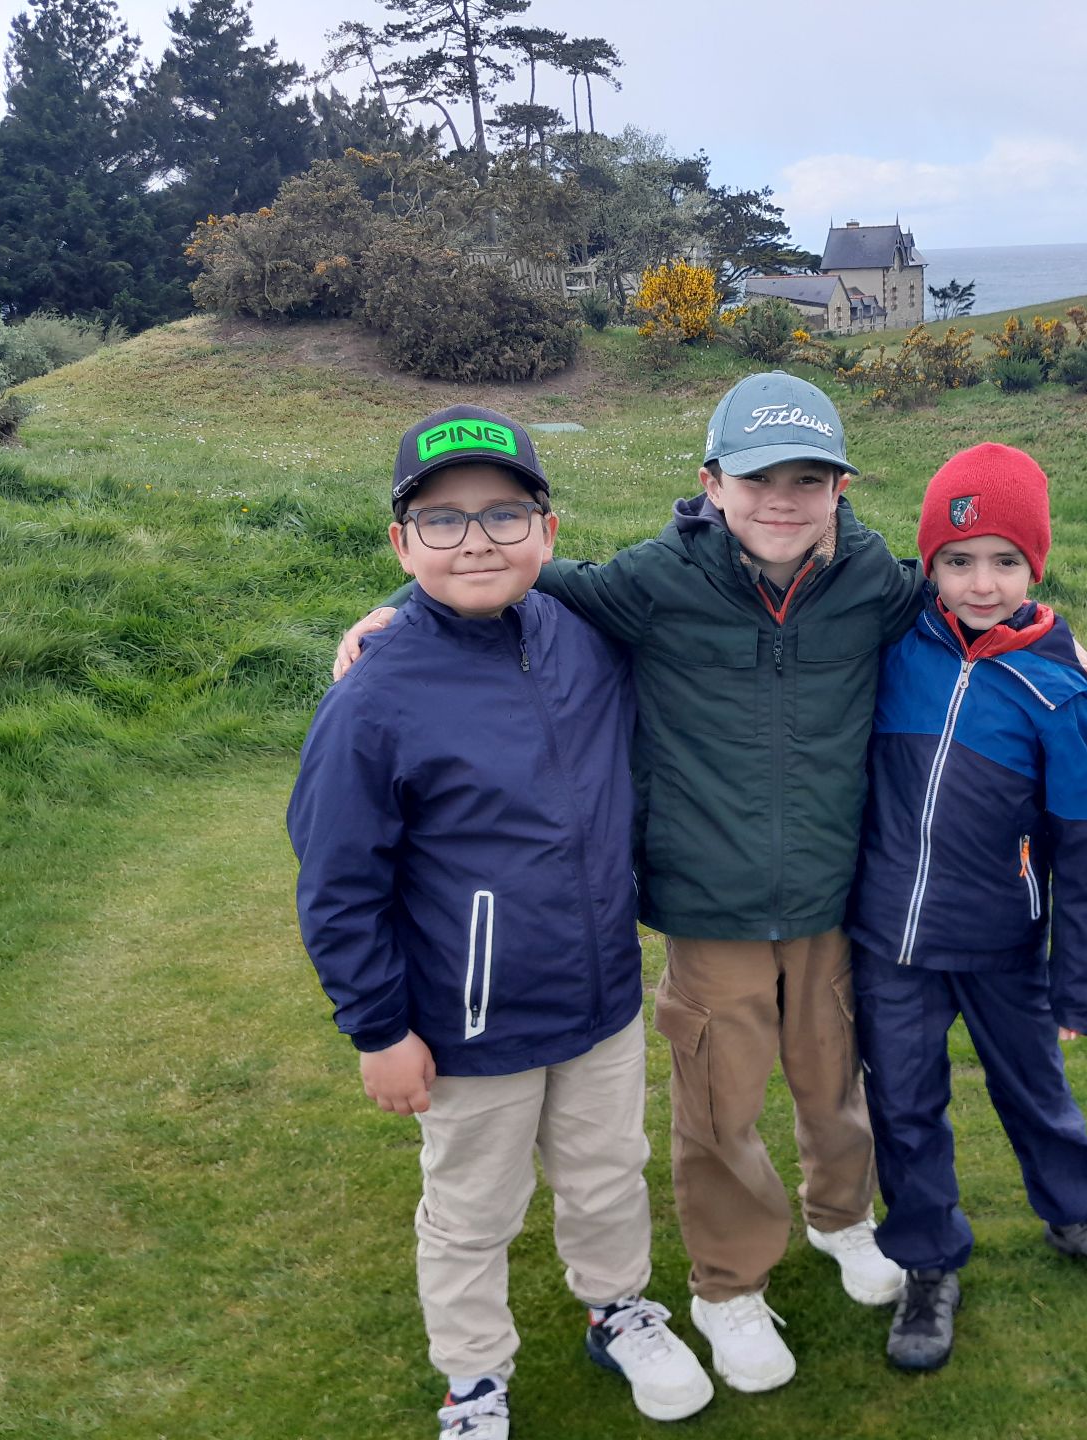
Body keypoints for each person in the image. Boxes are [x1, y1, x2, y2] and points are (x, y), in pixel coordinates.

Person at [333, 375, 1087, 1394]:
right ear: (711, 483)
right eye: (756, 479)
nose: (782, 500)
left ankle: (842, 1219)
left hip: (836, 899)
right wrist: (393, 609)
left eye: (808, 480)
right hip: (710, 909)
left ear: (840, 491)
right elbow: (510, 572)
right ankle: (730, 1285)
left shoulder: (876, 582)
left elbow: (978, 602)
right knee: (721, 1108)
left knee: (838, 1085)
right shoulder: (654, 579)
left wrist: (1064, 642)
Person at [287, 404, 712, 1439]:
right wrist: (378, 1030)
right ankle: (474, 1378)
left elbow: (708, 578)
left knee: (607, 1176)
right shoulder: (374, 696)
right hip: (466, 1025)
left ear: (547, 531)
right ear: (402, 544)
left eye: (504, 514)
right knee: (473, 1210)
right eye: (441, 520)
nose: (475, 540)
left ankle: (618, 1308)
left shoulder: (588, 638)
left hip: (601, 999)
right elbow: (338, 885)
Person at [844, 443, 1087, 1373]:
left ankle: (1079, 1213)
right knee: (905, 1108)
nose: (980, 584)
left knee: (1035, 1089)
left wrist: (1080, 983)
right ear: (929, 565)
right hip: (890, 944)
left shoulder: (1057, 690)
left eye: (1004, 561)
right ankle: (929, 1263)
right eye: (957, 561)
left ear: (1036, 565)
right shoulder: (892, 642)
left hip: (1003, 944)